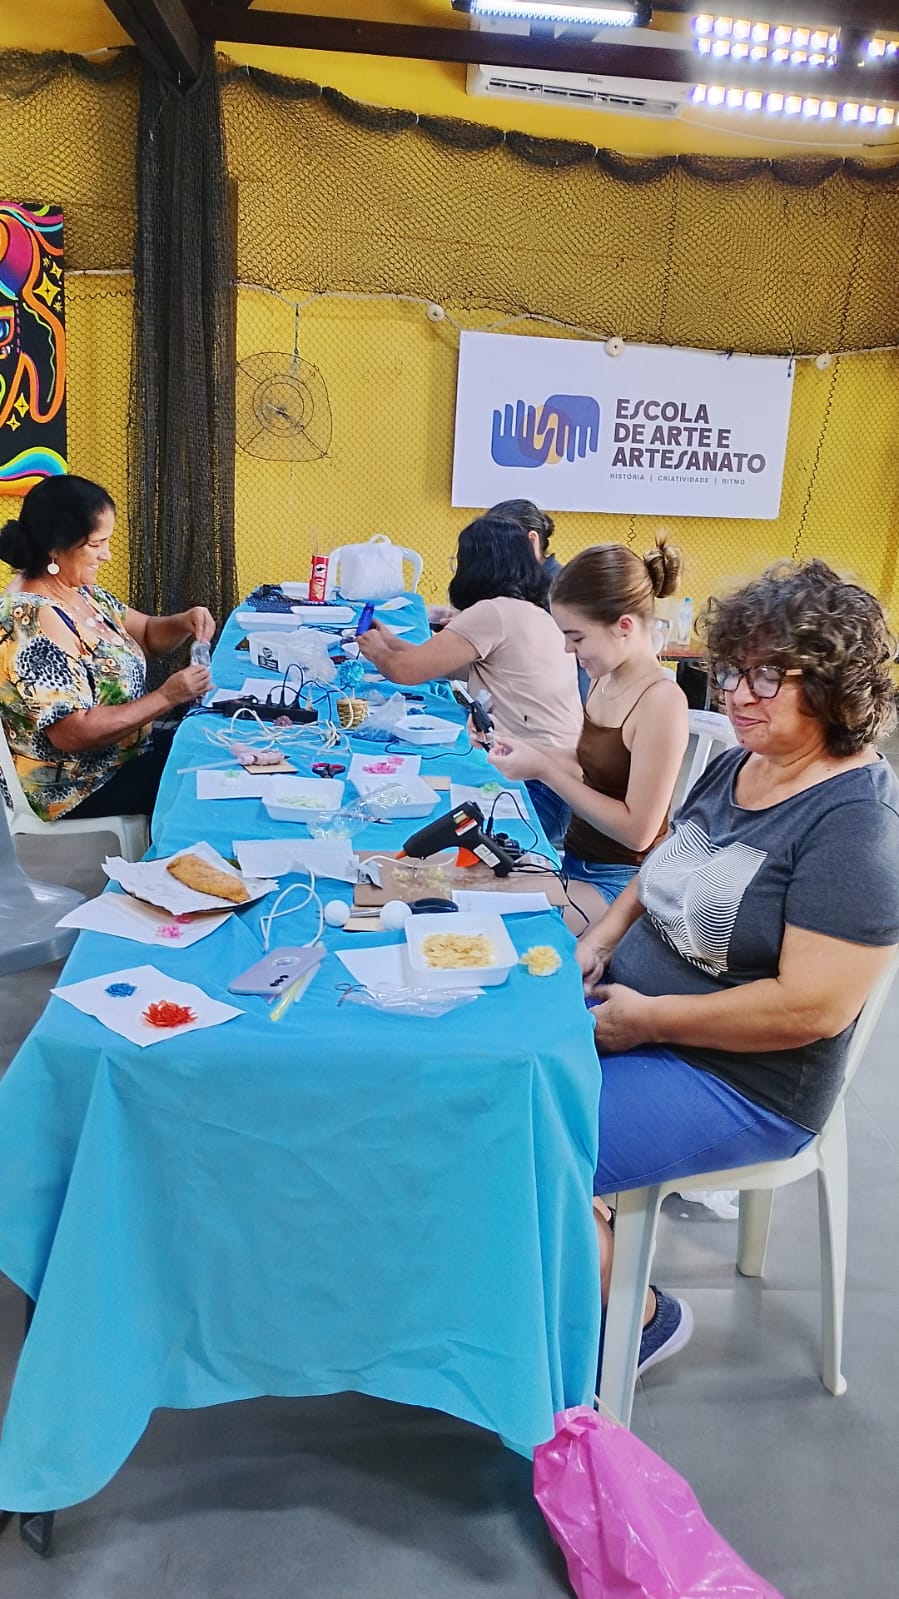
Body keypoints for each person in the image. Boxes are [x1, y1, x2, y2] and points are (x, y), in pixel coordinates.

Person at [576, 558, 899, 1377]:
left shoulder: (853, 824)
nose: (736, 694)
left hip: (743, 1080)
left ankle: (639, 1319)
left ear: (832, 685)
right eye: (730, 670)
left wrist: (646, 1020)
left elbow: (809, 1009)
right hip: (641, 1023)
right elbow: (663, 865)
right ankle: (563, 1263)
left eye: (766, 675)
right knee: (491, 1085)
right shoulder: (739, 762)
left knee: (525, 1136)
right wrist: (602, 938)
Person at [488, 541, 689, 922]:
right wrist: (517, 744)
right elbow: (587, 767)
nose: (567, 648)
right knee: (472, 886)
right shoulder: (605, 677)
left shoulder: (661, 702)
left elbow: (638, 832)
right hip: (578, 863)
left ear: (623, 627)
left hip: (623, 885)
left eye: (577, 637)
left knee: (501, 920)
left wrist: (544, 771)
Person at [357, 514, 582, 847]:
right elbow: (442, 664)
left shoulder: (493, 612)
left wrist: (378, 653)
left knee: (421, 824)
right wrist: (389, 643)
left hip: (534, 785)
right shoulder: (530, 612)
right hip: (559, 785)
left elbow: (407, 672)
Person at [0, 475, 213, 823]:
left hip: (124, 756)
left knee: (211, 747)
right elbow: (72, 733)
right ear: (57, 547)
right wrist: (167, 696)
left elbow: (146, 634)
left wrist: (184, 622)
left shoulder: (79, 591)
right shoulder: (30, 618)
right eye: (96, 543)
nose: (107, 555)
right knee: (204, 782)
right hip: (77, 785)